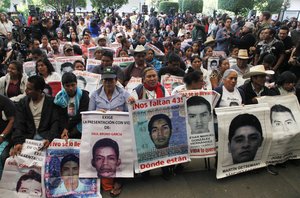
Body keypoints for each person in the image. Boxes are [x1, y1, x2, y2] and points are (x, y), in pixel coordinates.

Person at [10, 75, 60, 156]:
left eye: (29, 89)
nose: (26, 91)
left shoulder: (51, 102)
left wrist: (50, 139)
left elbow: (55, 123)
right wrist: (18, 142)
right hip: (28, 138)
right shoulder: (23, 103)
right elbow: (19, 124)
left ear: (39, 90)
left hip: (45, 138)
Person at [54, 72, 89, 139]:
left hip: (79, 123)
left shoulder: (84, 95)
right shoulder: (59, 98)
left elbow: (81, 114)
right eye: (67, 86)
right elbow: (61, 116)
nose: (71, 88)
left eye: (73, 85)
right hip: (64, 124)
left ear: (76, 84)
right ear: (63, 86)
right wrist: (64, 129)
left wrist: (67, 128)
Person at [0, 94, 15, 178]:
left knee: (2, 156)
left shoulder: (5, 102)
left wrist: (2, 136)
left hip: (7, 137)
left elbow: (12, 120)